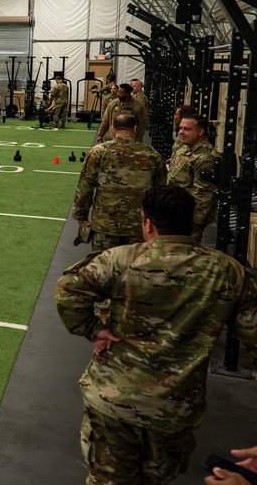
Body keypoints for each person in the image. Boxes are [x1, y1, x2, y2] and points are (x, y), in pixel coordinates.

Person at [56, 185, 257, 485]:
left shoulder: (121, 259)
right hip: (175, 407)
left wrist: (95, 330)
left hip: (115, 398)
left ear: (148, 223)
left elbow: (69, 290)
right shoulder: (229, 272)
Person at [73, 114, 167, 252]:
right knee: (135, 268)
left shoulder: (98, 152)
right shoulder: (152, 154)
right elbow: (160, 191)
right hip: (139, 228)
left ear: (112, 129)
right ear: (135, 128)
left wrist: (81, 216)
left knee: (103, 269)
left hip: (105, 226)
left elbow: (85, 186)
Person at [167, 113, 219, 242]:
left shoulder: (206, 158)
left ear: (200, 131)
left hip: (187, 219)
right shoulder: (184, 148)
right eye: (180, 128)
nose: (181, 132)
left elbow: (204, 196)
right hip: (173, 212)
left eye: (187, 129)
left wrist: (193, 224)